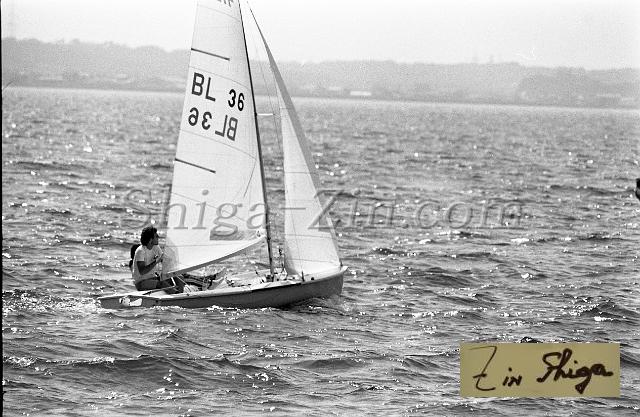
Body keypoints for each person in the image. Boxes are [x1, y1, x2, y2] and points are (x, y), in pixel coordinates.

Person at [131, 225, 182, 292]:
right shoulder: (140, 251)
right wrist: (156, 261)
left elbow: (163, 260)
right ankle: (176, 295)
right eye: (156, 236)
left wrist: (171, 261)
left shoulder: (156, 247)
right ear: (150, 240)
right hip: (141, 282)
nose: (158, 237)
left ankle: (182, 295)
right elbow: (142, 271)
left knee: (178, 278)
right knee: (162, 283)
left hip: (153, 278)